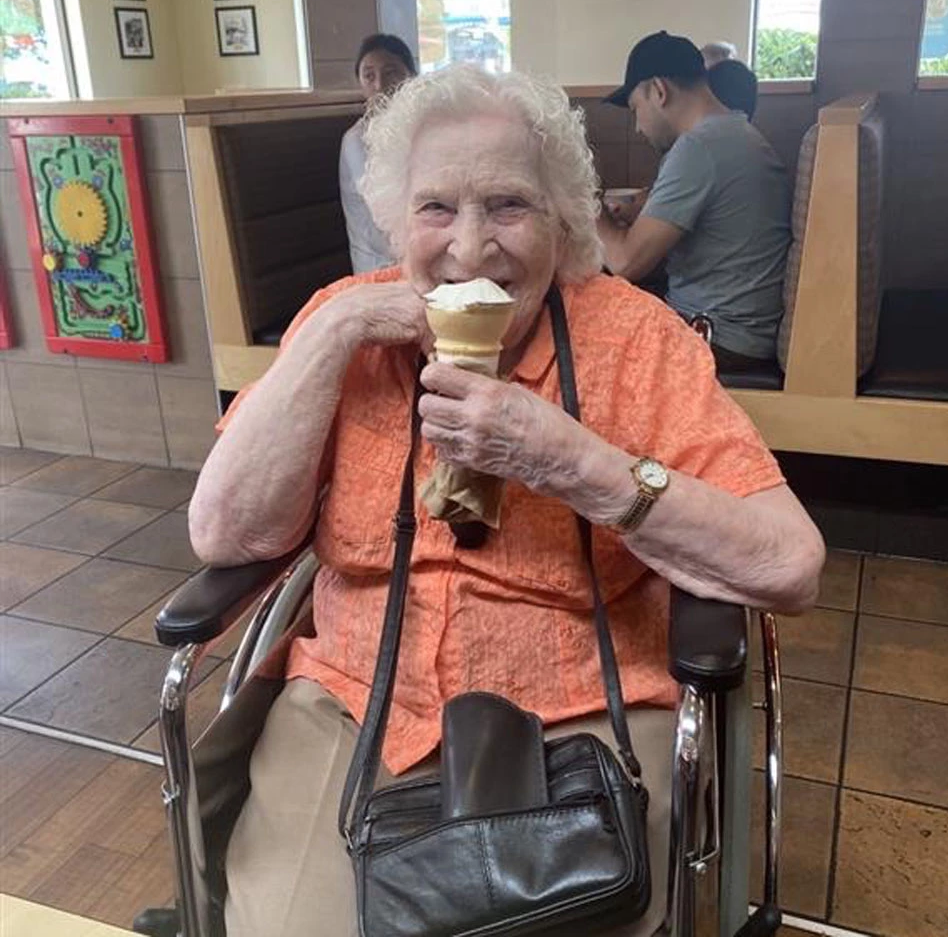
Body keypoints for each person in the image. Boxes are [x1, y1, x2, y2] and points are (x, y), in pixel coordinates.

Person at [190, 65, 824, 937]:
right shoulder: (341, 323)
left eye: (509, 207)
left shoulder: (637, 340)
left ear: (564, 219)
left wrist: (577, 465)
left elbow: (790, 563)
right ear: (395, 221)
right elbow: (223, 532)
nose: (470, 246)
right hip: (354, 701)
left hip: (583, 716)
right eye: (437, 208)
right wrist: (331, 339)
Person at [597, 32, 792, 370]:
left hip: (719, 340)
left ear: (659, 91)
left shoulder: (699, 147)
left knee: (582, 338)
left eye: (635, 110)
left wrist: (584, 204)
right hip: (742, 332)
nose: (638, 129)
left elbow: (625, 264)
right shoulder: (735, 132)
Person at [339, 33, 417, 273]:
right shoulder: (356, 140)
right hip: (381, 267)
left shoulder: (418, 128)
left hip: (417, 258)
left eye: (390, 72)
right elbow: (381, 226)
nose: (379, 85)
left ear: (411, 77)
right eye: (369, 75)